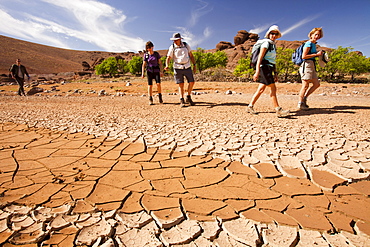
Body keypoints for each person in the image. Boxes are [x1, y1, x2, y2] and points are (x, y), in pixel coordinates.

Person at [247, 25, 290, 118]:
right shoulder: (266, 43)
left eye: (275, 34)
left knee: (261, 89)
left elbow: (273, 61)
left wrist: (275, 73)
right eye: (272, 33)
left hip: (269, 68)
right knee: (273, 88)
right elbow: (260, 58)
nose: (273, 35)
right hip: (264, 67)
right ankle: (278, 109)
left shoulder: (273, 45)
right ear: (268, 34)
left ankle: (250, 106)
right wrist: (257, 71)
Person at [165, 33, 197, 107]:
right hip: (177, 67)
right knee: (181, 84)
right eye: (174, 40)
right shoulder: (172, 47)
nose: (174, 41)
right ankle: (181, 99)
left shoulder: (186, 45)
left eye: (176, 40)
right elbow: (168, 58)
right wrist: (167, 65)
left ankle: (188, 97)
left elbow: (191, 55)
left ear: (180, 39)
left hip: (187, 66)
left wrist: (194, 65)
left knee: (191, 82)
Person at [298, 27, 324, 110]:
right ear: (311, 35)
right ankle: (300, 103)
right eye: (315, 34)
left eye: (318, 35)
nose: (317, 36)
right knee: (305, 85)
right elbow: (304, 56)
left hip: (311, 64)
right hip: (306, 64)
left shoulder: (313, 44)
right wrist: (316, 54)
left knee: (316, 84)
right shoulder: (308, 43)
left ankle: (304, 98)